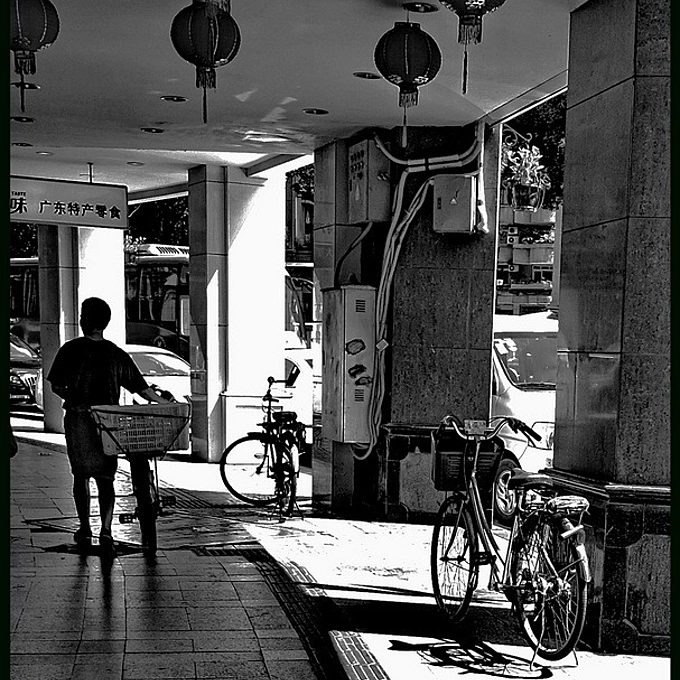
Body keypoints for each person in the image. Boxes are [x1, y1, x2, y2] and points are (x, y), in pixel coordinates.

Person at [47, 297, 168, 553]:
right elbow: (142, 389)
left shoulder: (70, 350)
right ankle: (106, 531)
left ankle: (84, 528)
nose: (81, 319)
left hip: (79, 421)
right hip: (107, 423)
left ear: (86, 320)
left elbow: (55, 385)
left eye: (83, 315)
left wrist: (73, 396)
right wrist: (166, 405)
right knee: (105, 478)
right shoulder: (115, 353)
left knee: (80, 476)